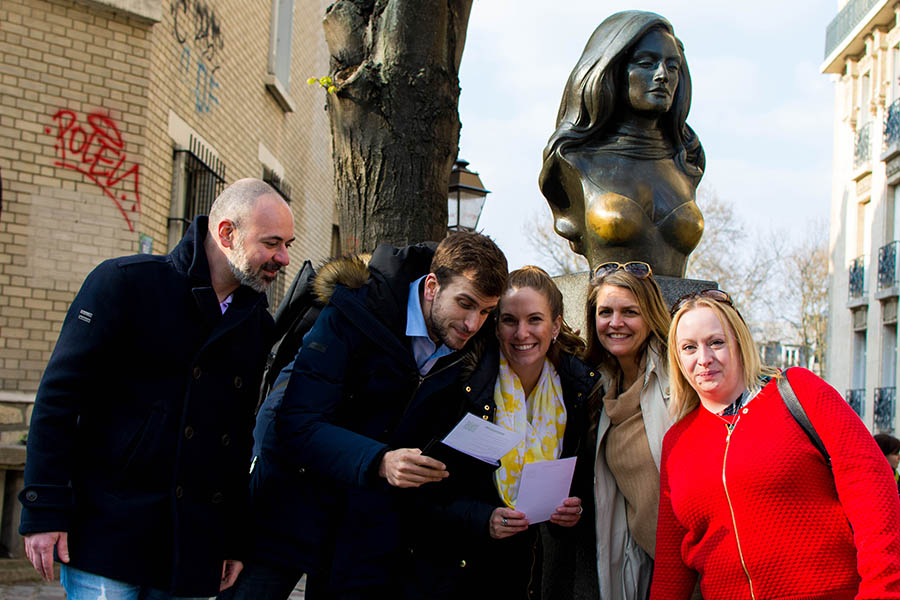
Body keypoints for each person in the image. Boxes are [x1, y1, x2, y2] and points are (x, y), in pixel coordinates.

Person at [19, 178, 295, 598]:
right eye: (273, 243)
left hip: (193, 547)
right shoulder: (126, 284)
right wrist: (44, 509)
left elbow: (237, 440)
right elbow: (58, 401)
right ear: (226, 233)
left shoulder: (256, 326)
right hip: (107, 533)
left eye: (287, 244)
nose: (284, 258)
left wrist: (233, 538)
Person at [219, 232, 509, 599]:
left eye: (485, 311)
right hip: (288, 499)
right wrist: (380, 461)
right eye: (466, 304)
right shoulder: (355, 308)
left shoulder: (472, 344)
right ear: (432, 286)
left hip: (363, 527)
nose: (472, 323)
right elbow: (296, 423)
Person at [652, 290, 900, 599]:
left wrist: (882, 589)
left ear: (739, 343)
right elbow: (670, 559)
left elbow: (871, 485)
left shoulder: (798, 391)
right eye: (689, 348)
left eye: (716, 342)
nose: (704, 359)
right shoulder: (677, 441)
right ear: (677, 359)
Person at [402, 266, 600, 600]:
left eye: (534, 320)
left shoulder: (578, 390)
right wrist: (482, 518)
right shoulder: (465, 384)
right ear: (496, 325)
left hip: (529, 573)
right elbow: (421, 490)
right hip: (456, 571)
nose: (521, 333)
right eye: (509, 320)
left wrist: (573, 512)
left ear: (555, 325)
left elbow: (585, 485)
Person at [539, 11, 705, 277]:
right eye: (646, 62)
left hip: (679, 316)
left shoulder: (685, 163)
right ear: (612, 71)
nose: (663, 75)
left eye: (672, 66)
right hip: (610, 313)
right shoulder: (573, 161)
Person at [583, 261, 672, 600]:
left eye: (630, 312)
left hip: (700, 563)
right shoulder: (602, 384)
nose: (615, 323)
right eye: (605, 311)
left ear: (650, 316)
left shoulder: (678, 378)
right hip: (650, 565)